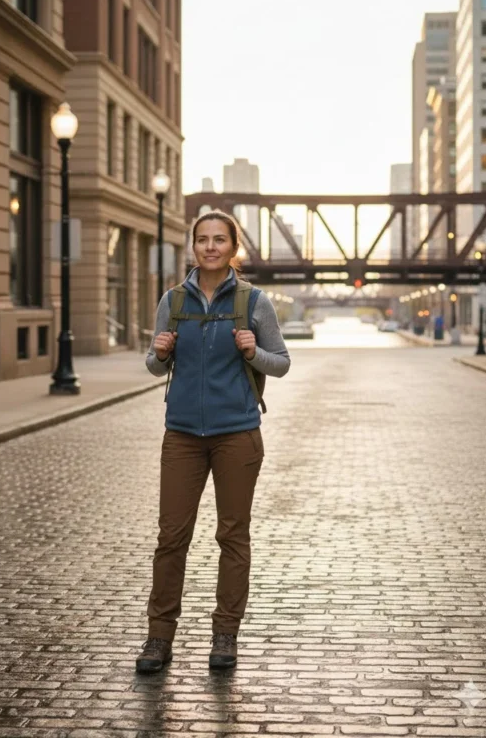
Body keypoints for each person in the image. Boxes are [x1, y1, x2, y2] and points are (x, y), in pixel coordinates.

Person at [135, 209, 291, 674]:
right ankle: (159, 637)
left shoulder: (254, 302)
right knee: (171, 537)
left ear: (233, 247)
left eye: (219, 239)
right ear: (193, 246)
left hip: (237, 435)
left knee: (232, 536)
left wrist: (253, 351)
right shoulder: (173, 301)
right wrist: (159, 353)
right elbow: (154, 366)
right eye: (202, 239)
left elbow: (281, 363)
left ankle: (225, 634)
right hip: (182, 436)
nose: (210, 247)